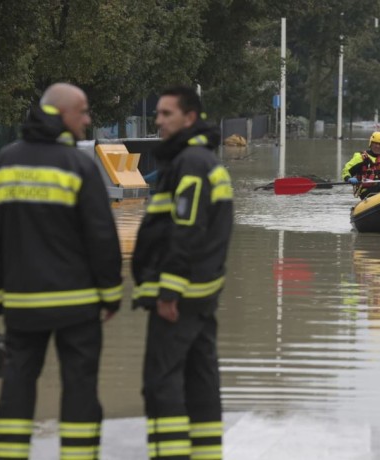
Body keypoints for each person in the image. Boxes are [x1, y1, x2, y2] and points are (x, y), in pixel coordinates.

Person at [0, 83, 123, 460]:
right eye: (83, 111)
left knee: (17, 383)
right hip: (78, 306)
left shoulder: (3, 163)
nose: (88, 119)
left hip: (23, 304)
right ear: (60, 114)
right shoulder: (79, 166)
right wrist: (110, 295)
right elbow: (102, 237)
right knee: (80, 388)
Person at [132, 85, 233, 460]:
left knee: (161, 383)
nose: (158, 121)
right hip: (202, 293)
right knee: (200, 378)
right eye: (157, 113)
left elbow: (186, 229)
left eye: (166, 114)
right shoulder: (205, 162)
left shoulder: (189, 163)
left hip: (180, 296)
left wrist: (169, 291)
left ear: (189, 118)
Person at [341, 131, 380, 199]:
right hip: (367, 192)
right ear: (371, 144)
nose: (377, 146)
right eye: (375, 143)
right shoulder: (360, 157)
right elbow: (346, 170)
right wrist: (348, 178)